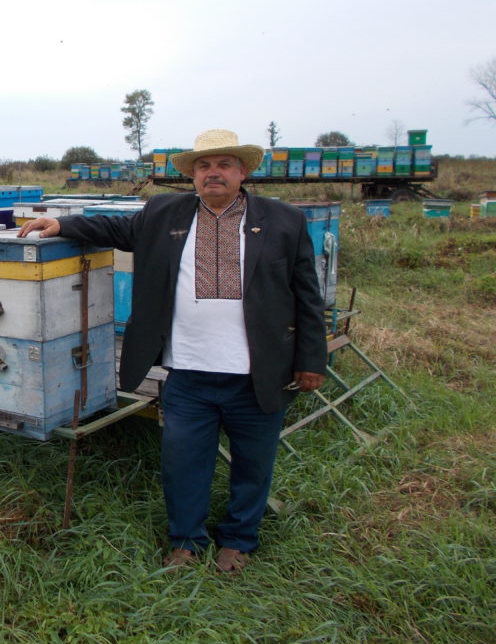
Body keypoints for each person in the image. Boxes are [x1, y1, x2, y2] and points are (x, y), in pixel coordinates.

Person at [18, 129, 327, 572]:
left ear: (243, 172)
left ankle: (238, 540)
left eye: (223, 165)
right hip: (188, 373)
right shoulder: (165, 211)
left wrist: (311, 359)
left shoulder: (283, 220)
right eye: (203, 166)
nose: (213, 173)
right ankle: (186, 541)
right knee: (183, 464)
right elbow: (117, 229)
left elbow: (307, 295)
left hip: (258, 373)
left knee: (253, 466)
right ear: (193, 176)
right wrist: (63, 224)